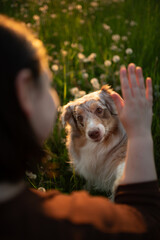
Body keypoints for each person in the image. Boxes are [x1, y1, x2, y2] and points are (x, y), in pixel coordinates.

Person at [0, 14, 160, 240]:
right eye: (49, 83)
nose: (91, 127)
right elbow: (147, 223)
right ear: (25, 92)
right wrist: (141, 134)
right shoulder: (79, 220)